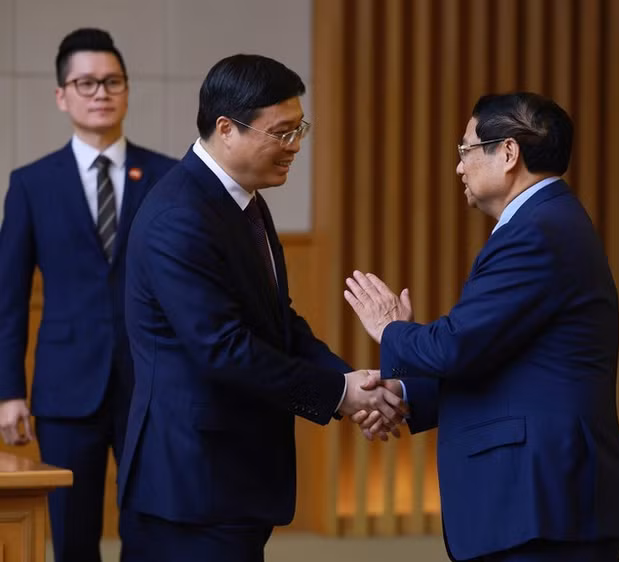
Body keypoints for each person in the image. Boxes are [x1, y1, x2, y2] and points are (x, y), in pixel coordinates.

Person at [116, 54, 405, 562]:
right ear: (227, 129)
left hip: (231, 478)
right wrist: (340, 395)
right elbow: (223, 349)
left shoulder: (242, 201)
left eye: (300, 130)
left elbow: (277, 323)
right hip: (191, 484)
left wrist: (348, 381)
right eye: (281, 132)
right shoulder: (179, 216)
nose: (294, 147)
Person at [344, 92, 619, 562]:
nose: (458, 167)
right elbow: (501, 360)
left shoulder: (538, 231)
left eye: (464, 150)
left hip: (539, 500)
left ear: (507, 153)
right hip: (536, 502)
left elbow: (457, 346)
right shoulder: (547, 224)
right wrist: (404, 395)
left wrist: (391, 330)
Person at [0, 28, 176, 562]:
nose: (100, 92)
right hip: (64, 387)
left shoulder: (168, 177)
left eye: (112, 81)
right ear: (62, 95)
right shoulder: (31, 183)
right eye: (86, 82)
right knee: (72, 535)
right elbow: (8, 300)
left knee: (150, 527)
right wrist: (10, 392)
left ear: (126, 90)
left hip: (152, 384)